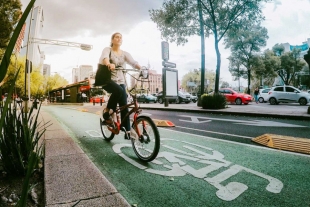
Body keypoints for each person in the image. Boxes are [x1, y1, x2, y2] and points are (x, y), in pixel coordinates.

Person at [99, 32, 141, 139]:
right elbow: (104, 58)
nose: (119, 39)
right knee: (118, 90)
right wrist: (109, 64)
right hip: (108, 80)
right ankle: (107, 112)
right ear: (112, 40)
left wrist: (140, 67)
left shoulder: (125, 53)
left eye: (120, 37)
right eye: (117, 37)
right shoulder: (108, 50)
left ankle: (127, 131)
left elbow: (133, 62)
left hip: (121, 81)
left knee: (124, 105)